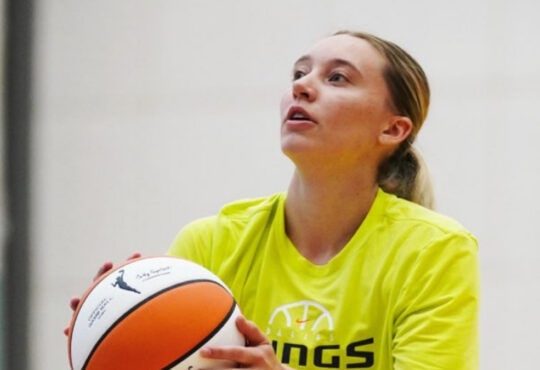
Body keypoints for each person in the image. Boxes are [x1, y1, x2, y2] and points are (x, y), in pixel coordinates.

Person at [68, 31, 479, 369]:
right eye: (299, 73)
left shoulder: (435, 249)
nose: (301, 85)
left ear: (392, 129)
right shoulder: (211, 244)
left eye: (337, 78)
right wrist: (105, 336)